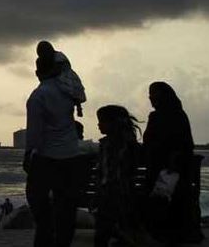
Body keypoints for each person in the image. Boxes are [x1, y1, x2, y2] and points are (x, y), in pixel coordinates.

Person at [24, 52, 80, 247]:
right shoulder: (68, 90)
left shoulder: (38, 96)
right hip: (71, 156)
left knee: (41, 210)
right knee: (66, 210)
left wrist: (28, 155)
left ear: (38, 72)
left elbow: (34, 134)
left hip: (47, 158)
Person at [143, 82, 204, 243]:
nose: (150, 99)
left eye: (153, 95)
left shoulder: (158, 117)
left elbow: (150, 143)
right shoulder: (179, 115)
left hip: (163, 172)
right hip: (177, 171)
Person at [93, 105, 144, 247]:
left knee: (102, 230)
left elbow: (110, 173)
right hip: (123, 193)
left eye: (102, 121)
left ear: (113, 123)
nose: (98, 124)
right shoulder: (128, 144)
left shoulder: (110, 146)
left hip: (113, 193)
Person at [36, 41, 86, 117]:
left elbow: (58, 69)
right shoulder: (40, 61)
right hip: (51, 78)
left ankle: (79, 107)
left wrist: (47, 76)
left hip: (64, 75)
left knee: (72, 88)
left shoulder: (58, 56)